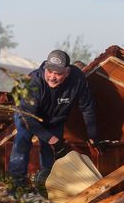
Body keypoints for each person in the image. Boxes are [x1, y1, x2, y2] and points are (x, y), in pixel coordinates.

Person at [9, 49, 99, 187]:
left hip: (55, 119)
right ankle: (16, 186)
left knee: (50, 153)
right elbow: (26, 118)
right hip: (28, 117)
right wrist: (52, 139)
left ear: (67, 72)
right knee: (22, 142)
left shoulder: (78, 80)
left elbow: (88, 108)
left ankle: (48, 187)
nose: (52, 76)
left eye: (58, 73)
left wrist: (93, 137)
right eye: (49, 71)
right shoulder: (34, 81)